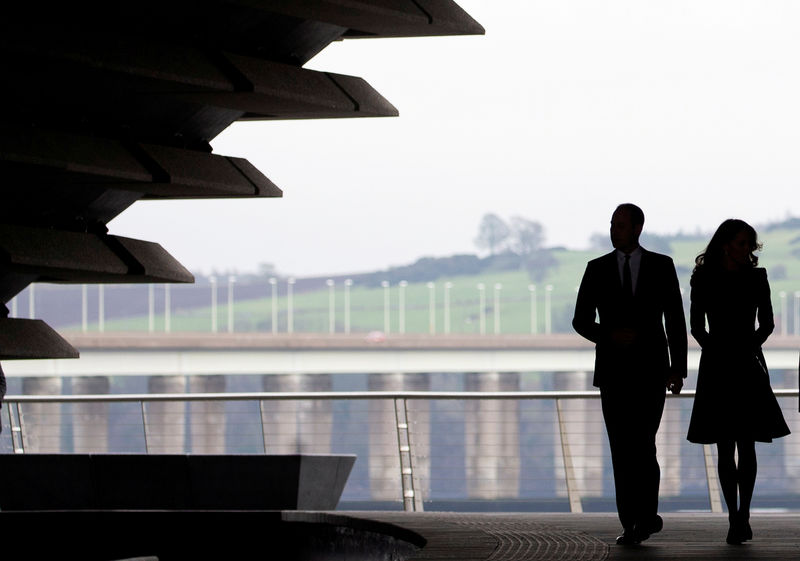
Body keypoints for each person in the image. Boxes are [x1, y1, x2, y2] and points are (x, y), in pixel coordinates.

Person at [573, 203, 687, 545]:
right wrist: (608, 335)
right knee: (621, 448)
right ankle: (631, 523)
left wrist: (677, 369)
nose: (614, 230)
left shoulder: (661, 266)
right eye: (612, 225)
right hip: (613, 374)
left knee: (643, 445)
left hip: (652, 371)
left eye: (620, 225)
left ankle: (646, 515)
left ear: (638, 228)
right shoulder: (596, 269)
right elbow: (580, 320)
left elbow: (675, 320)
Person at [687, 219, 789, 545]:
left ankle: (741, 514)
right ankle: (736, 515)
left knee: (744, 443)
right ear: (727, 244)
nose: (748, 250)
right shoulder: (703, 278)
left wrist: (738, 348)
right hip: (724, 363)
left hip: (741, 362)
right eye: (743, 243)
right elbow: (696, 326)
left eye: (750, 244)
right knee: (726, 444)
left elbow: (769, 323)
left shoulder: (757, 277)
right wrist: (724, 349)